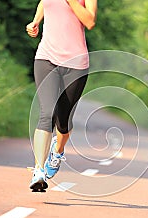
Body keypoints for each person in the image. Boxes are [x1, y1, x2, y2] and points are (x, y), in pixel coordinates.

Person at [26, 0, 97, 191]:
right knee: (46, 113)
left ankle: (57, 152)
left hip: (76, 64)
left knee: (63, 121)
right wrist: (35, 21)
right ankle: (39, 170)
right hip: (46, 58)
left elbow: (90, 21)